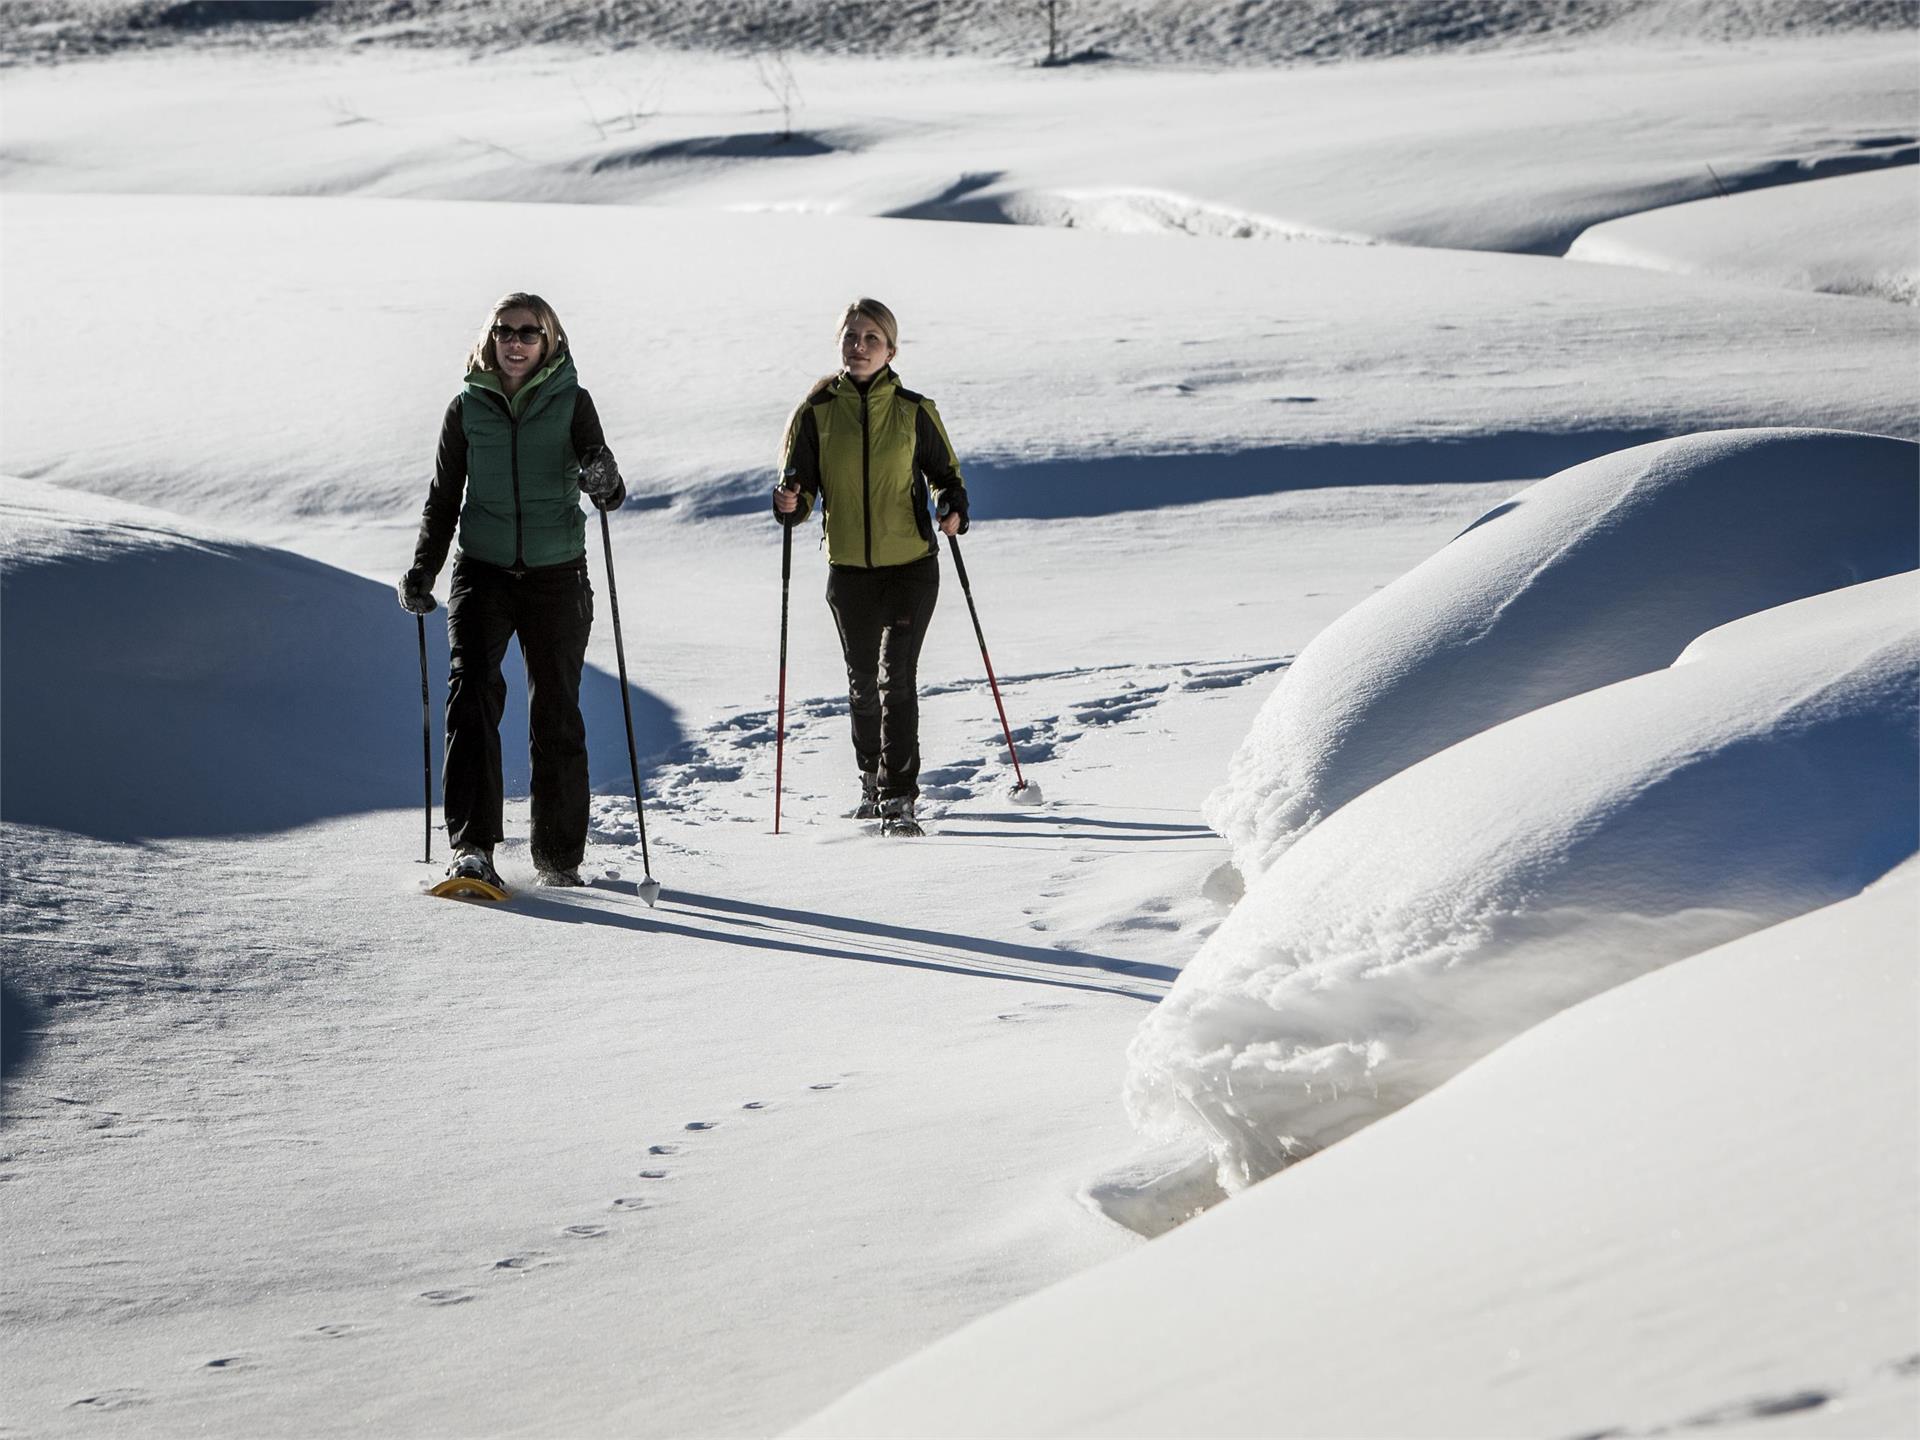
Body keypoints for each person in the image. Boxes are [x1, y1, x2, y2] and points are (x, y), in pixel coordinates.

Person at [397, 292, 626, 888]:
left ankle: (558, 858)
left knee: (555, 710)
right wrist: (425, 569)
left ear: (549, 340)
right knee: (471, 693)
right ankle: (471, 848)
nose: (516, 341)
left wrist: (604, 478)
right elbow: (444, 499)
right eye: (505, 330)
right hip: (484, 571)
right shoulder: (465, 409)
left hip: (558, 575)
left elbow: (607, 488)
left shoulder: (574, 403)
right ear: (490, 337)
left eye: (529, 331)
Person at [773, 298, 968, 837]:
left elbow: (946, 476)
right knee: (862, 684)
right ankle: (870, 779)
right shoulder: (814, 412)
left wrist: (952, 507)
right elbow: (800, 486)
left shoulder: (912, 409)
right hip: (849, 571)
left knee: (895, 680)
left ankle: (899, 798)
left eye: (870, 339)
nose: (858, 347)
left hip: (910, 567)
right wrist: (790, 502)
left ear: (890, 350)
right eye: (851, 337)